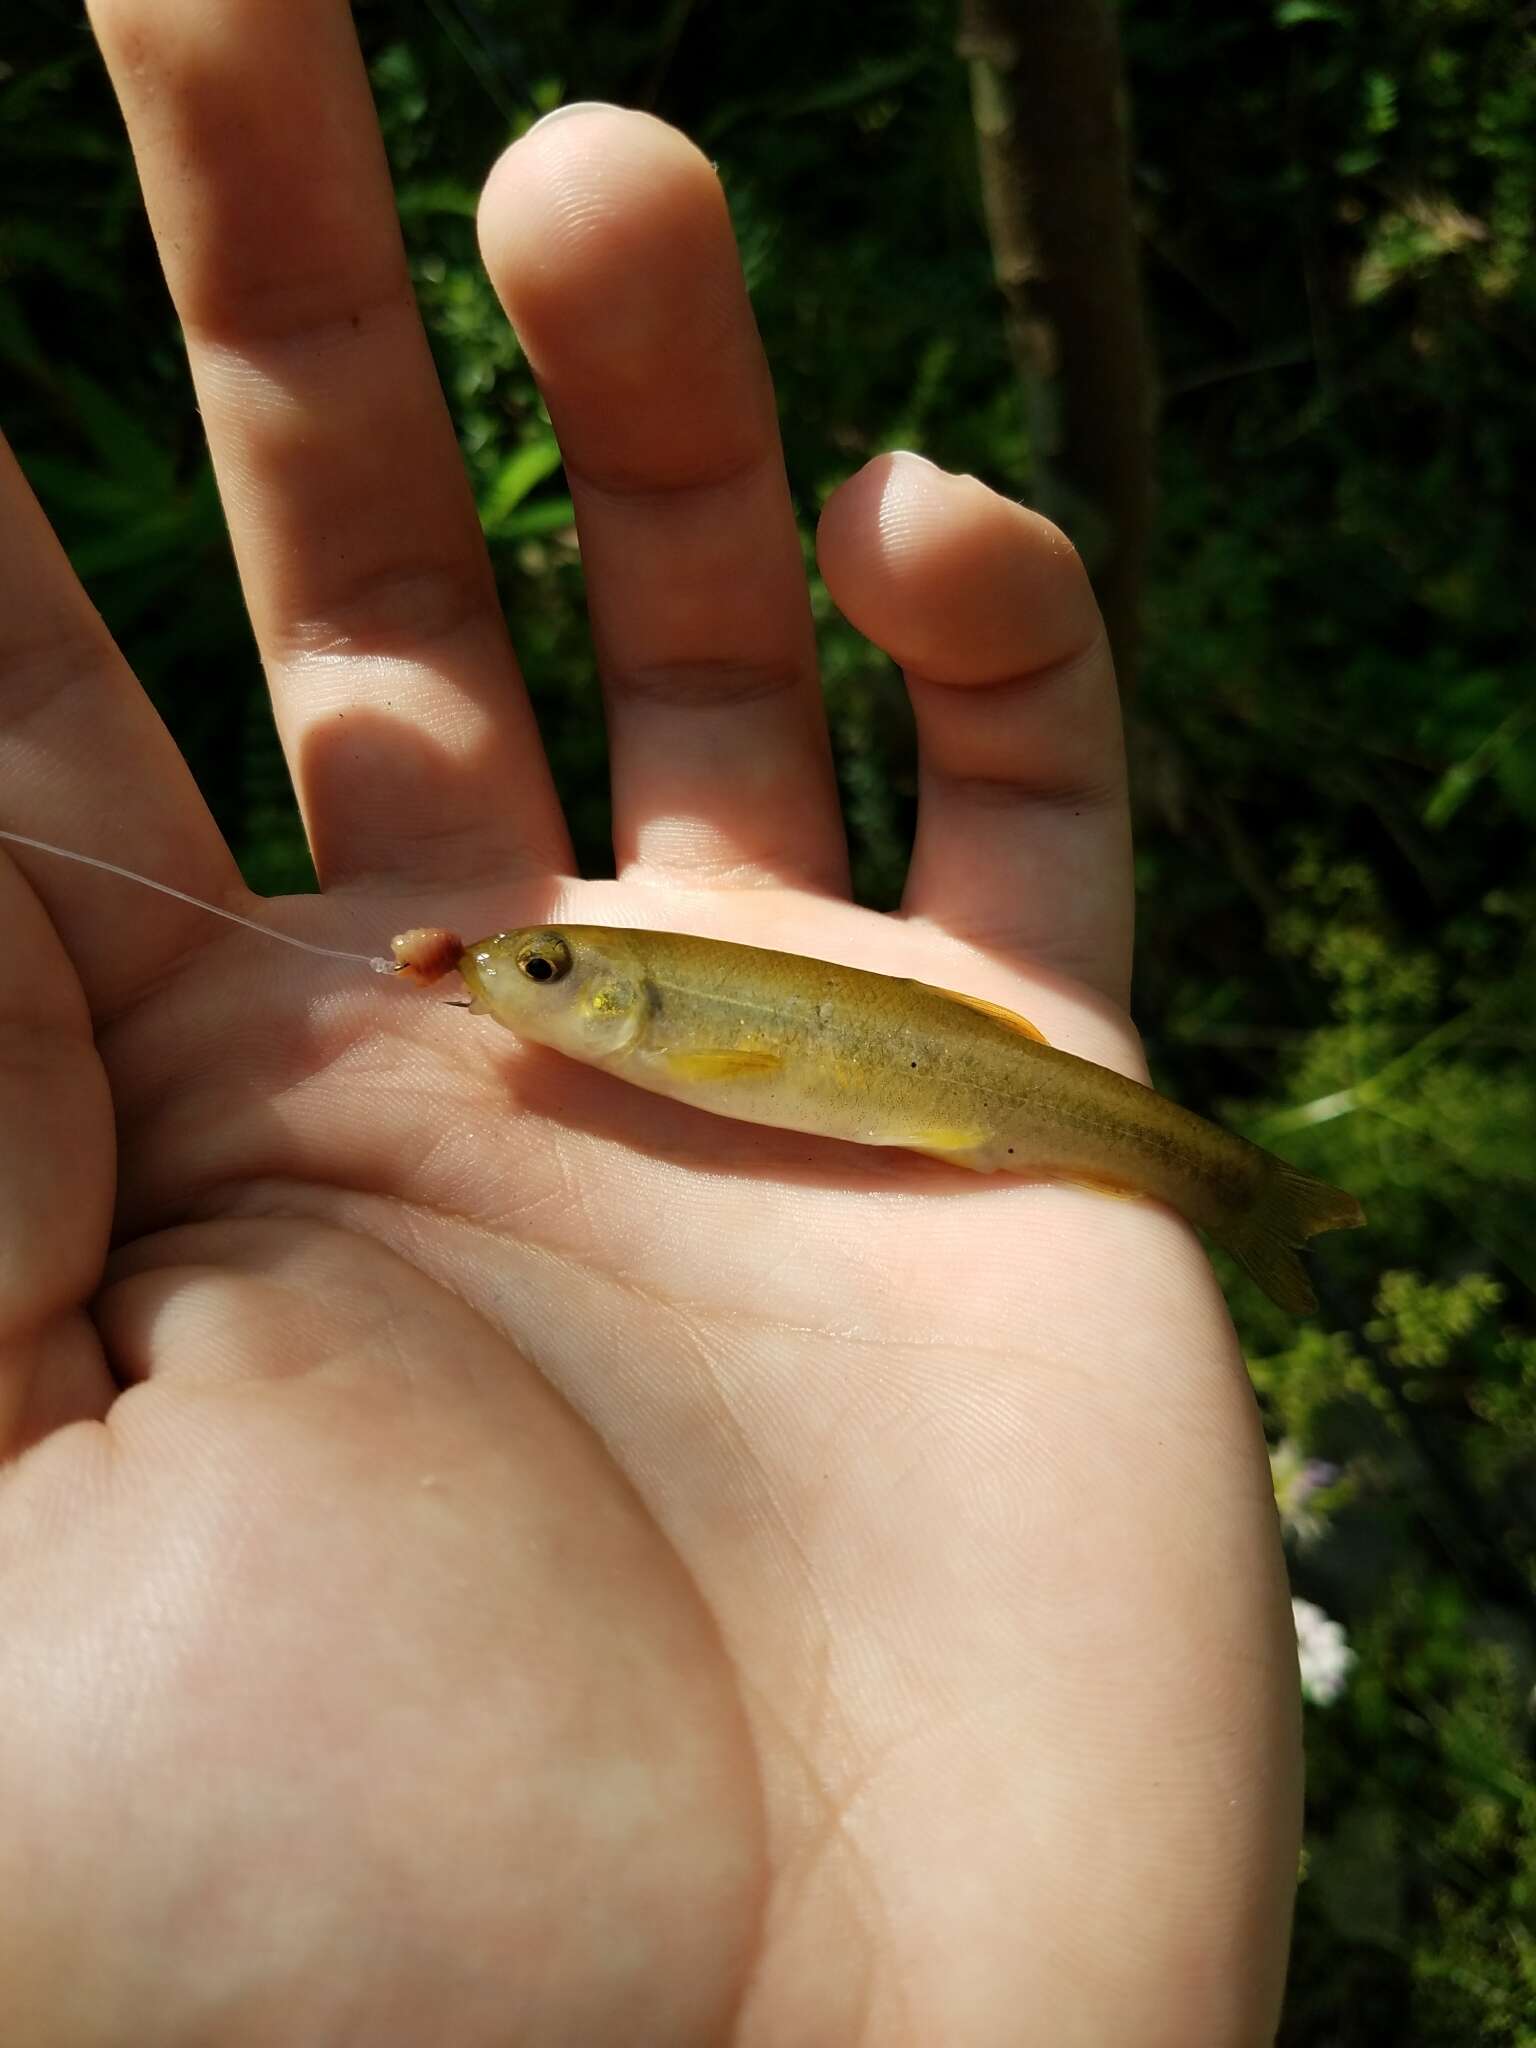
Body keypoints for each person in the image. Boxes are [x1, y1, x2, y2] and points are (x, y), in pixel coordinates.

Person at [0, 2, 1300, 2039]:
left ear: (603, 985)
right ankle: (1253, 1199)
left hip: (1002, 1116)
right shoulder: (615, 1031)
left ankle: (1242, 1194)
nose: (512, 986)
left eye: (538, 971)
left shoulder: (649, 1016)